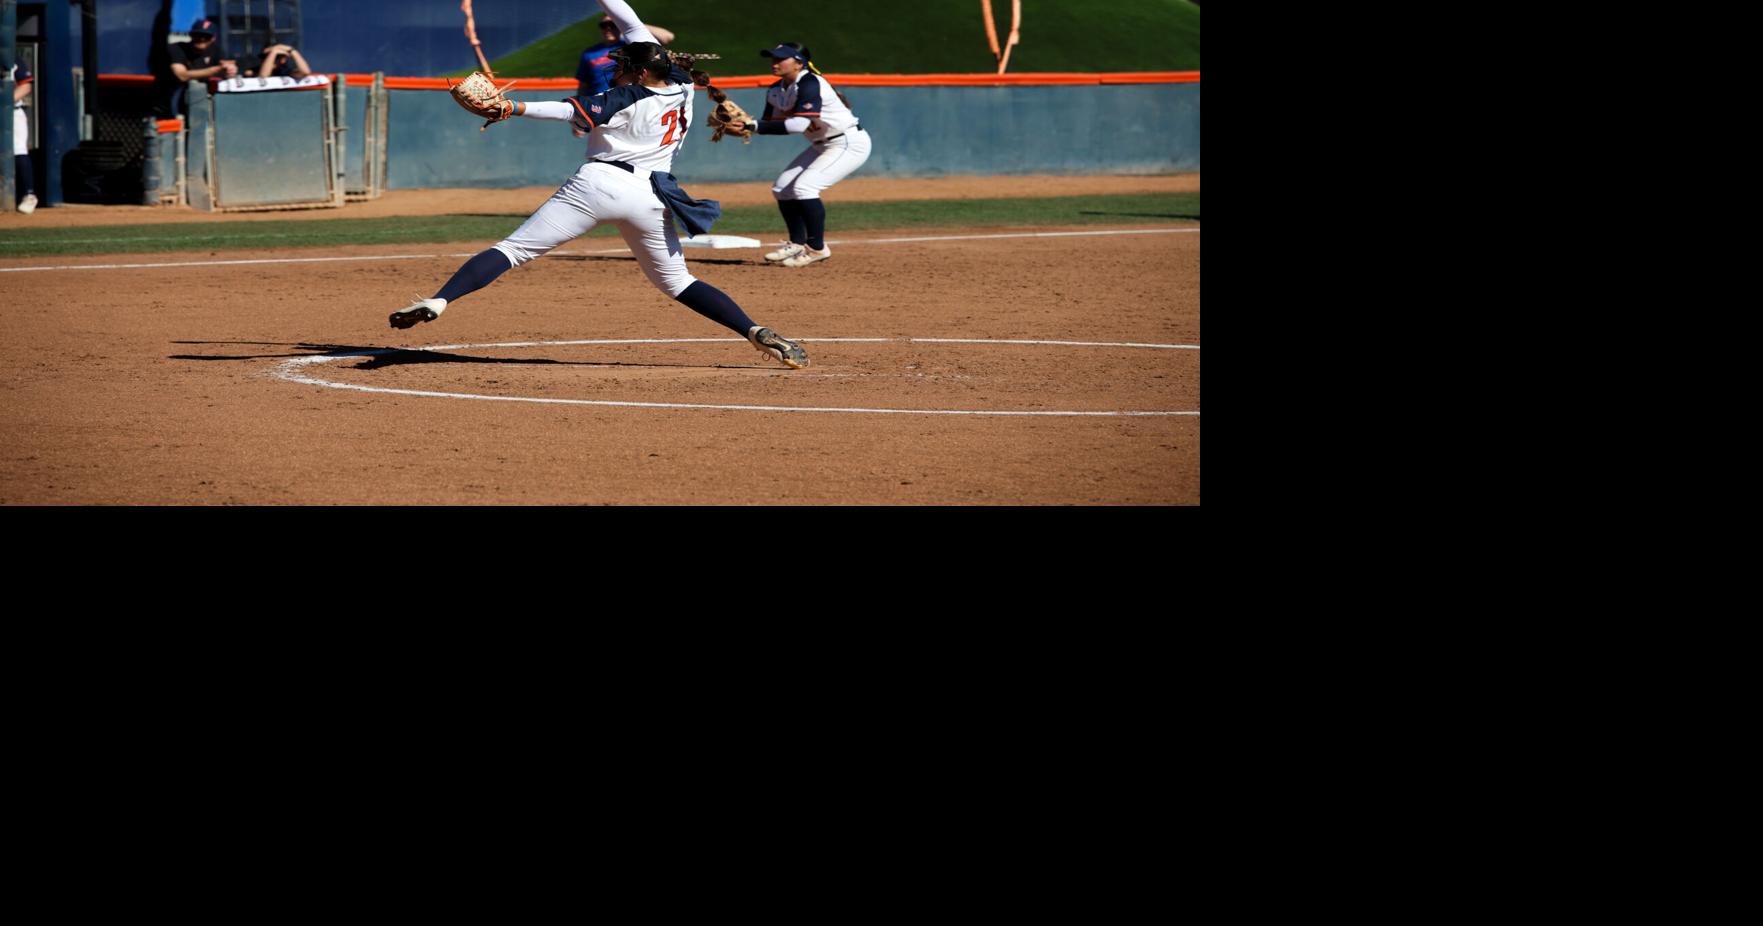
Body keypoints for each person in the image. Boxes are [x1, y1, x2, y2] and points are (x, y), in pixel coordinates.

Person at [389, 0, 810, 371]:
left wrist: (509, 106)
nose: (618, 67)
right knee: (677, 282)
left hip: (598, 185)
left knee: (513, 250)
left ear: (642, 70)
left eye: (625, 64)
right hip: (651, 197)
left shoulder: (626, 97)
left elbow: (563, 109)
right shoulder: (681, 85)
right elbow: (628, 19)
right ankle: (754, 331)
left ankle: (440, 301)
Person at [744, 43, 871, 268]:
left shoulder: (811, 83)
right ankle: (797, 243)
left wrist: (753, 126)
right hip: (821, 145)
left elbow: (798, 124)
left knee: (805, 187)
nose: (775, 63)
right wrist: (740, 125)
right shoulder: (776, 90)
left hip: (848, 142)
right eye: (773, 58)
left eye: (781, 59)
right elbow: (771, 123)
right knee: (782, 189)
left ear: (799, 63)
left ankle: (817, 248)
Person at [155, 17, 238, 118]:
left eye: (206, 36)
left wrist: (230, 71)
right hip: (170, 105)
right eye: (198, 35)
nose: (201, 39)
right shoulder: (176, 48)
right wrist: (217, 69)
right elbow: (182, 75)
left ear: (213, 38)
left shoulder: (216, 51)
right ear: (191, 35)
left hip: (201, 104)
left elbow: (228, 70)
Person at [10, 62, 35, 214]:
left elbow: (26, 86)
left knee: (18, 149)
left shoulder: (10, 58)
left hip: (12, 111)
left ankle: (29, 194)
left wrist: (4, 102)